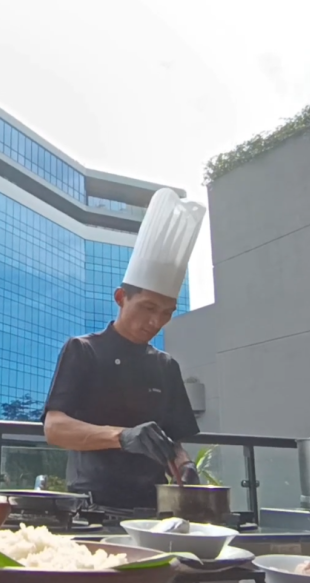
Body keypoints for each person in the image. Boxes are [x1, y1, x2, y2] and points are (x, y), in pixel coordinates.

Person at [42, 189, 207, 509]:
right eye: (148, 307)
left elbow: (173, 441)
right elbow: (55, 428)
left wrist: (184, 465)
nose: (156, 321)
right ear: (120, 298)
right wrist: (123, 437)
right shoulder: (83, 350)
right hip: (91, 503)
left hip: (155, 503)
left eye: (167, 312)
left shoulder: (166, 366)